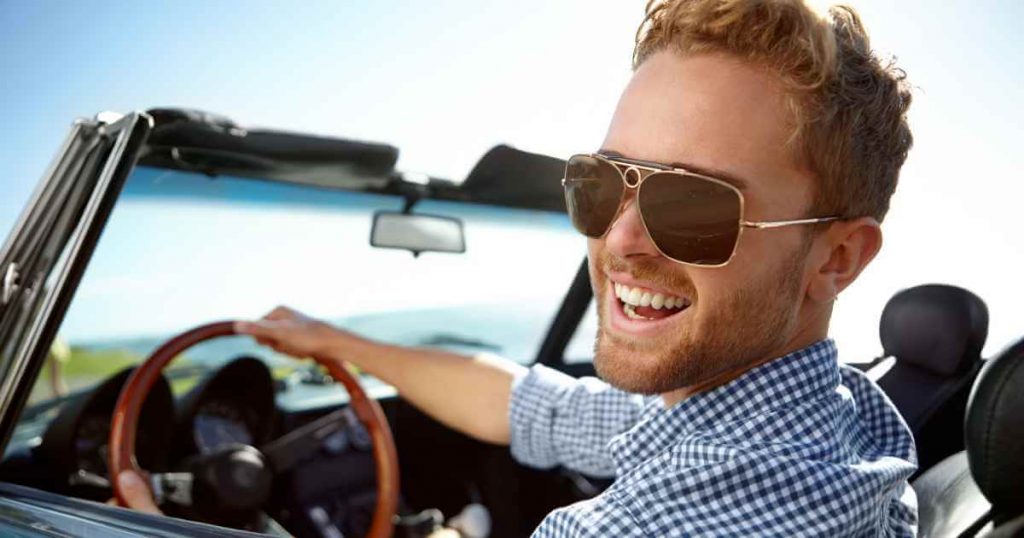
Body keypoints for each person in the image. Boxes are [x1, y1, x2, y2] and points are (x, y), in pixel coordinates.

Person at [118, 0, 918, 535]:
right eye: (601, 185)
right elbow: (534, 406)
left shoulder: (682, 515)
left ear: (836, 258)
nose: (620, 241)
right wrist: (336, 340)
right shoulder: (828, 410)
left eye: (694, 207)